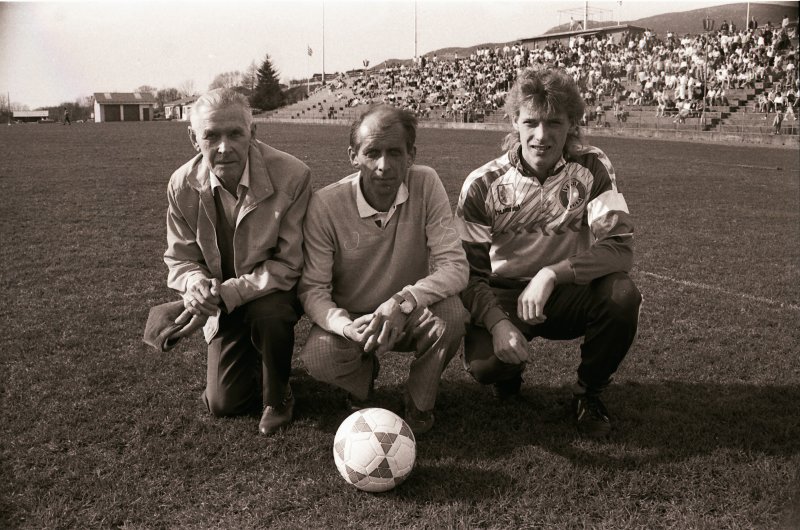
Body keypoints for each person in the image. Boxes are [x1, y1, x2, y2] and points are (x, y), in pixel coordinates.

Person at [455, 68, 641, 438]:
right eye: (531, 122)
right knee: (484, 367)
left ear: (572, 123)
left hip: (568, 291)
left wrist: (552, 273)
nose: (542, 136)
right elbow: (468, 275)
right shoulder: (482, 184)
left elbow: (619, 247)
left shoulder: (591, 166)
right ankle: (508, 373)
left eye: (554, 122)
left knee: (622, 296)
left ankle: (588, 393)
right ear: (514, 121)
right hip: (504, 292)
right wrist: (496, 322)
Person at [298, 105, 469, 436]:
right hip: (355, 320)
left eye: (395, 152)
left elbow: (455, 266)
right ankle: (361, 389)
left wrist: (404, 301)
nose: (384, 165)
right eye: (372, 152)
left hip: (406, 312)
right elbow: (313, 291)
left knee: (452, 315)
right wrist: (346, 327)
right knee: (318, 356)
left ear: (411, 155)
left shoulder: (426, 183)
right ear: (353, 156)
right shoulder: (325, 205)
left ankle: (419, 402)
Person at [163, 88, 311, 435]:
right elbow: (180, 258)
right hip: (222, 301)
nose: (224, 147)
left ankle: (278, 395)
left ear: (253, 133)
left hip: (273, 292)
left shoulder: (293, 175)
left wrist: (228, 293)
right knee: (223, 404)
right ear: (193, 139)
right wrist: (195, 285)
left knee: (270, 314)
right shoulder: (180, 185)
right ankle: (261, 362)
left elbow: (290, 264)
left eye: (235, 133)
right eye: (210, 136)